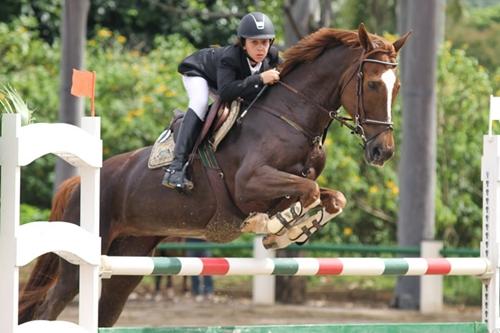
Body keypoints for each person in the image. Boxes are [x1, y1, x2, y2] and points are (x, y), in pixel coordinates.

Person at [162, 12, 281, 190]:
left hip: (226, 81)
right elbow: (225, 93)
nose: (260, 49)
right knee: (200, 103)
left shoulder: (272, 56)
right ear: (243, 44)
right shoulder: (230, 58)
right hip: (199, 73)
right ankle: (175, 168)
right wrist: (260, 79)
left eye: (264, 42)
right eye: (254, 42)